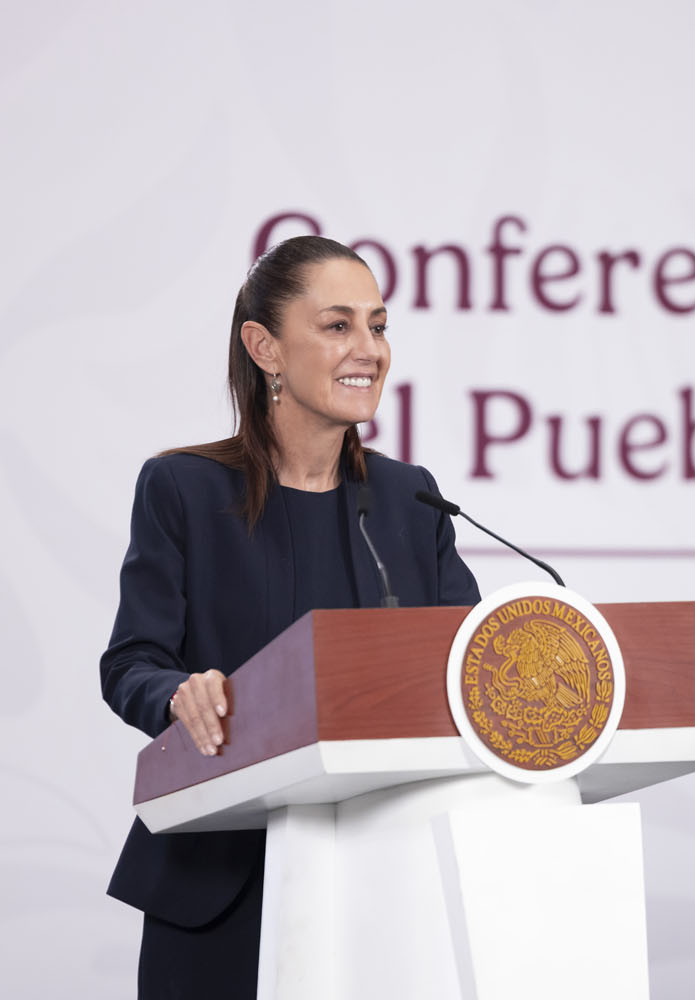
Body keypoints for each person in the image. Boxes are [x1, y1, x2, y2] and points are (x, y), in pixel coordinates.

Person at [99, 235, 480, 999]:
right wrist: (177, 693)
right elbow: (131, 662)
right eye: (338, 326)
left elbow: (471, 667)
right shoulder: (183, 489)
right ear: (264, 347)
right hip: (221, 889)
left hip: (387, 886)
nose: (368, 349)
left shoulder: (411, 500)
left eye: (378, 325)